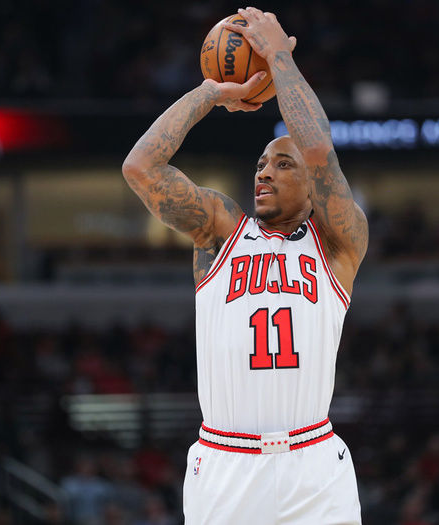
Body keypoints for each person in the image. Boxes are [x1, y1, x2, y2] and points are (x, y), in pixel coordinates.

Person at [122, 7, 367, 524]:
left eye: (282, 164)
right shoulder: (221, 230)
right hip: (226, 463)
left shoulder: (339, 244)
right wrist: (210, 93)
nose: (264, 173)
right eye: (260, 164)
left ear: (311, 187)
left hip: (314, 463)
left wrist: (279, 58)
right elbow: (141, 168)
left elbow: (320, 148)